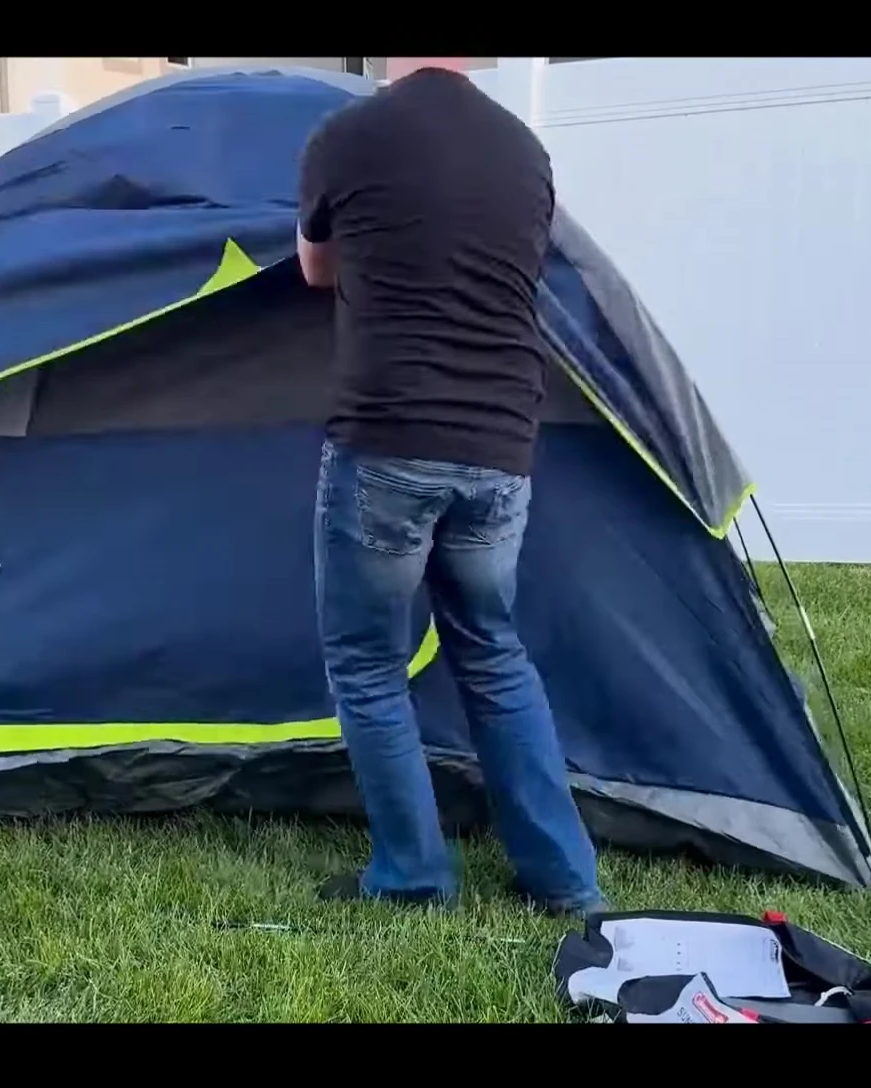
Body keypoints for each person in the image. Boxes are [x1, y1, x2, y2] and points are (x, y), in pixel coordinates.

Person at [296, 57, 605, 917]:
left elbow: (317, 272)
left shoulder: (345, 136)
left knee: (367, 666)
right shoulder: (525, 151)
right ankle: (565, 881)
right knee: (495, 654)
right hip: (502, 447)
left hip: (389, 439)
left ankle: (412, 877)